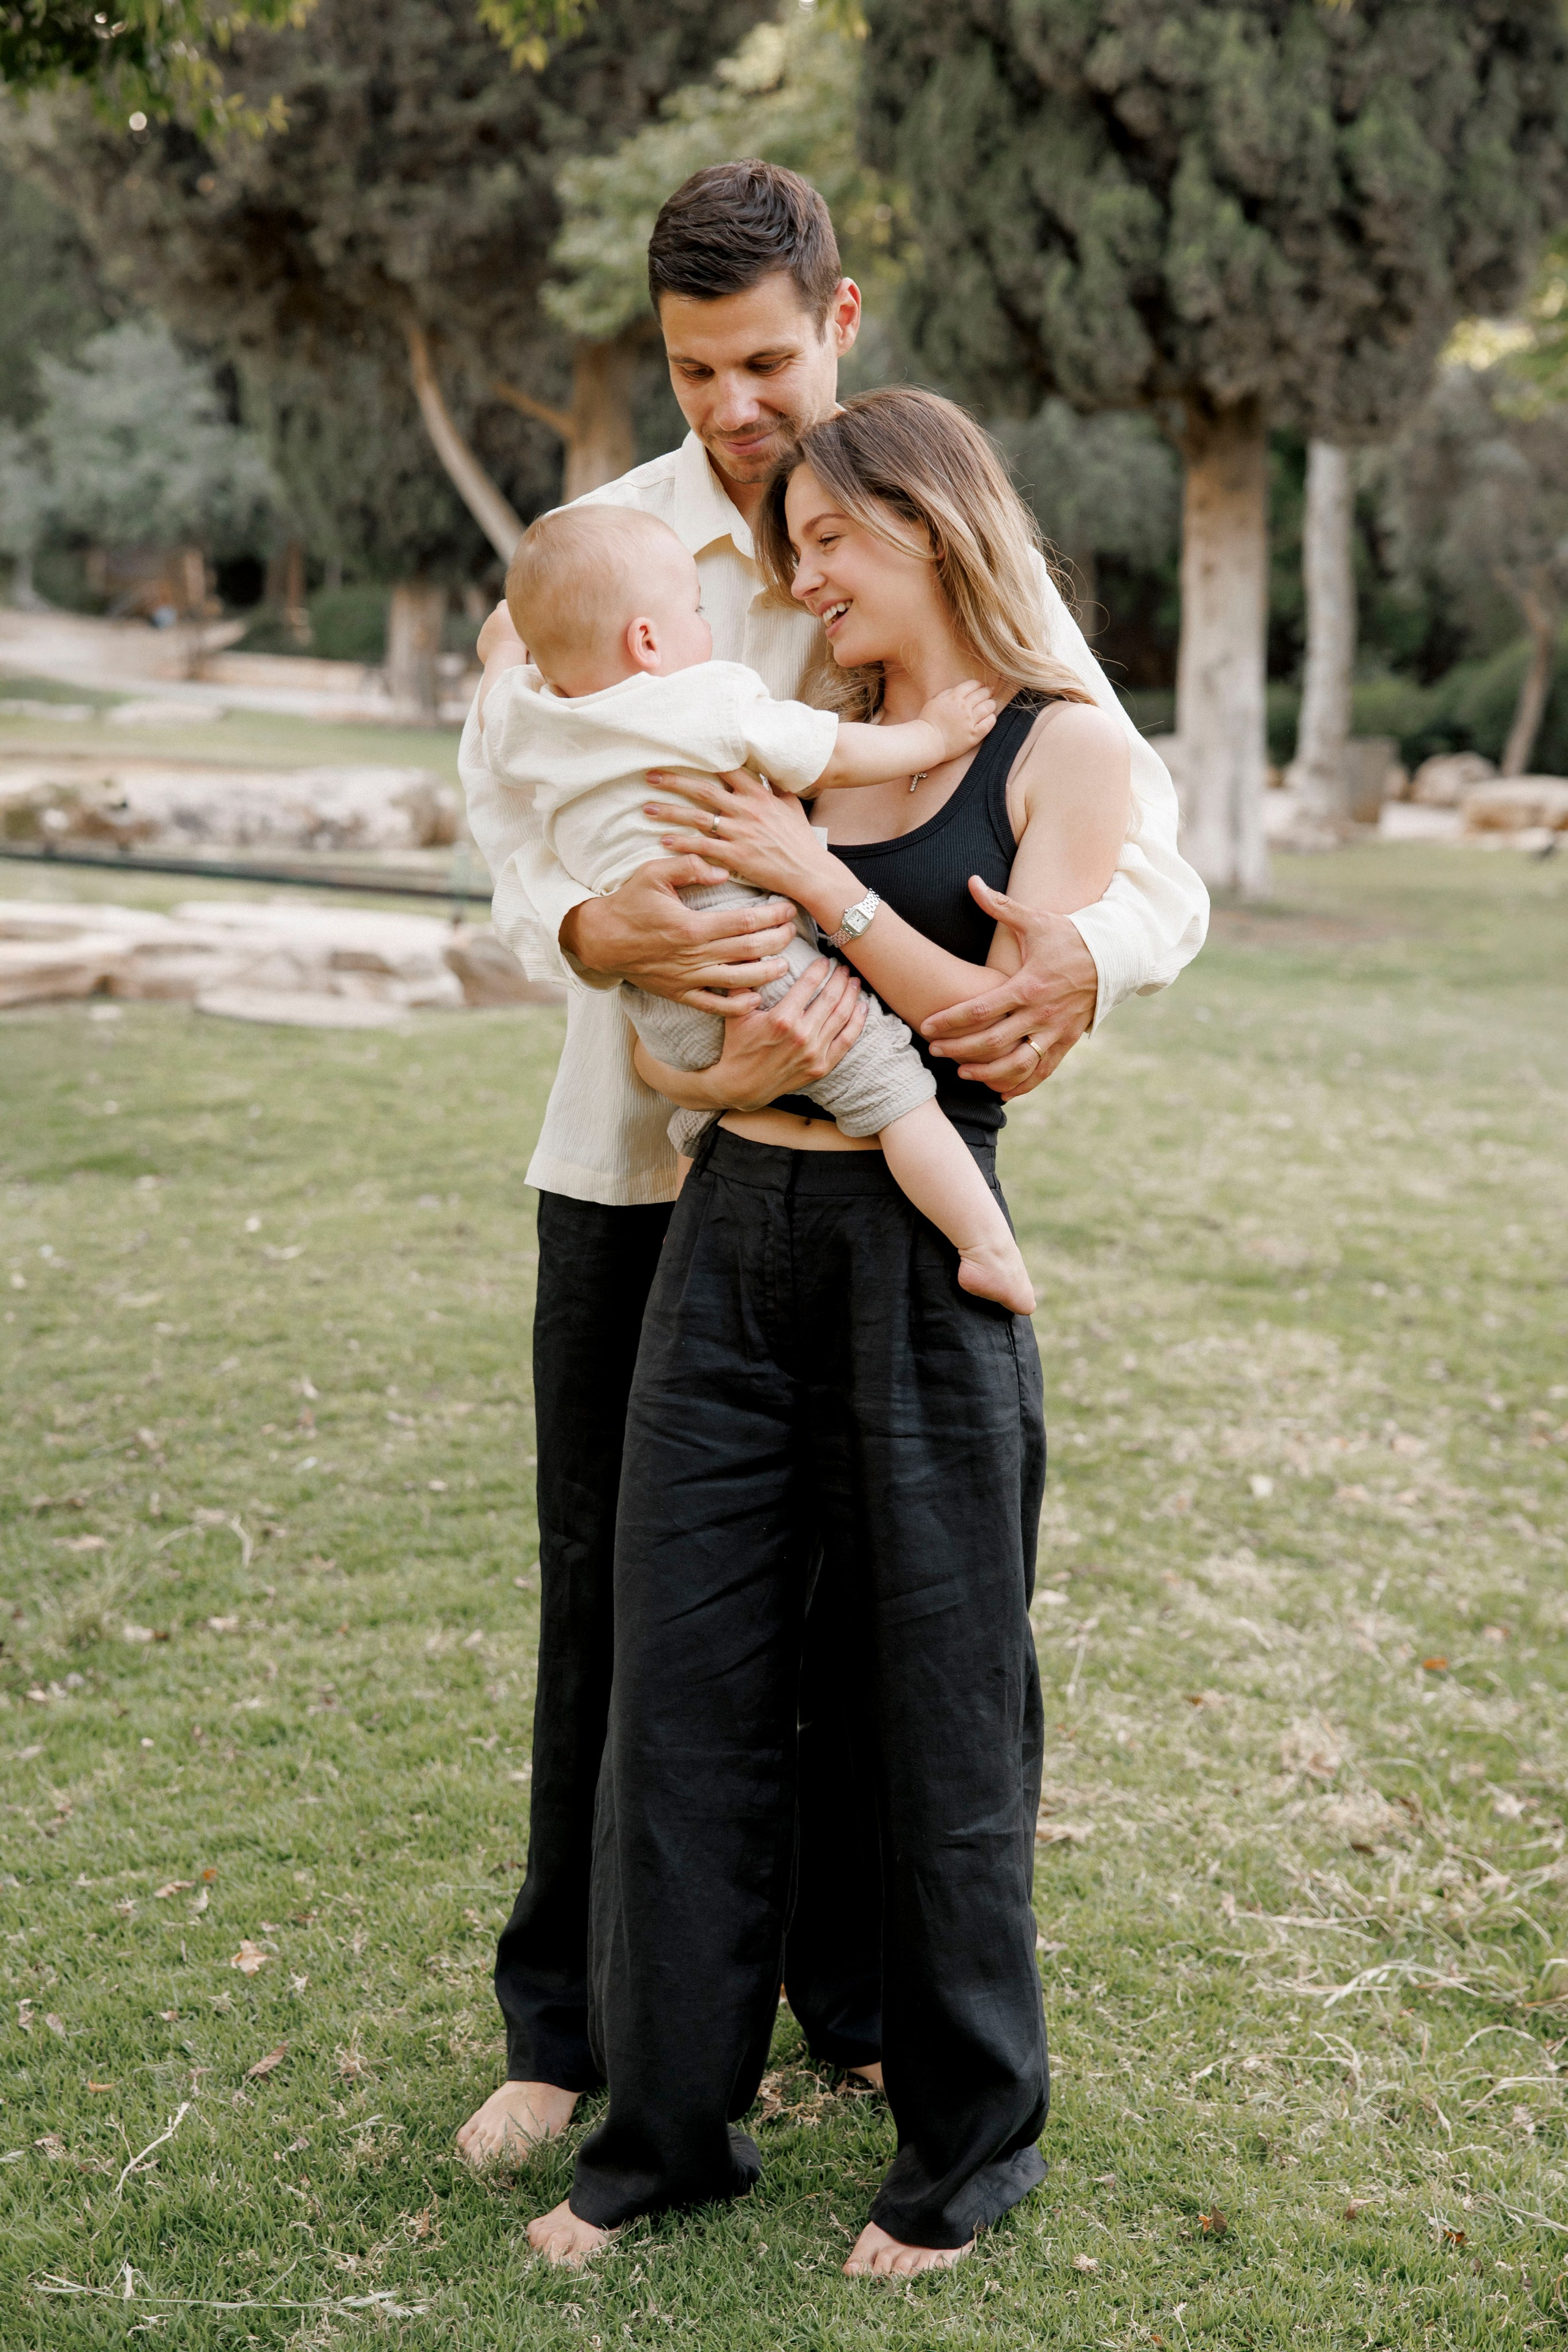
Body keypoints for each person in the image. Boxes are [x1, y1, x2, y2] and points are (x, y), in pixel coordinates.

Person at [456, 161, 1208, 2169]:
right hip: (635, 1171)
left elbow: (1143, 862)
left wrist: (1071, 969)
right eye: (698, 370)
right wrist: (594, 939)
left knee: (865, 1626)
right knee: (619, 1611)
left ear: (844, 321)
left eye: (765, 359)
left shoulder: (911, 517)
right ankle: (572, 2029)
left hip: (856, 1164)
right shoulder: (583, 558)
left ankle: (862, 2010)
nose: (731, 405)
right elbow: (508, 858)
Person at [526, 385, 1143, 2277]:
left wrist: (818, 896)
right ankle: (659, 2139)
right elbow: (671, 1001)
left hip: (916, 1248)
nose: (799, 577)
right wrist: (703, 1042)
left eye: (827, 545)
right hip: (729, 1227)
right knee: (684, 1684)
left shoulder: (1065, 749)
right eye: (789, 553)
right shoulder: (799, 735)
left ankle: (964, 2154)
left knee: (944, 1694)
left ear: (931, 525)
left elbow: (996, 1018)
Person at [483, 500, 1033, 1311]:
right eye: (696, 615)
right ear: (648, 641)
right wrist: (936, 736)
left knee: (710, 1125)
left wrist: (502, 647)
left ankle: (700, 1164)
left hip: (659, 1000)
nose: (706, 629)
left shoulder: (524, 724)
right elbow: (830, 751)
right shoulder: (698, 703)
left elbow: (500, 681)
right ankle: (986, 1247)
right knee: (892, 1084)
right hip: (744, 952)